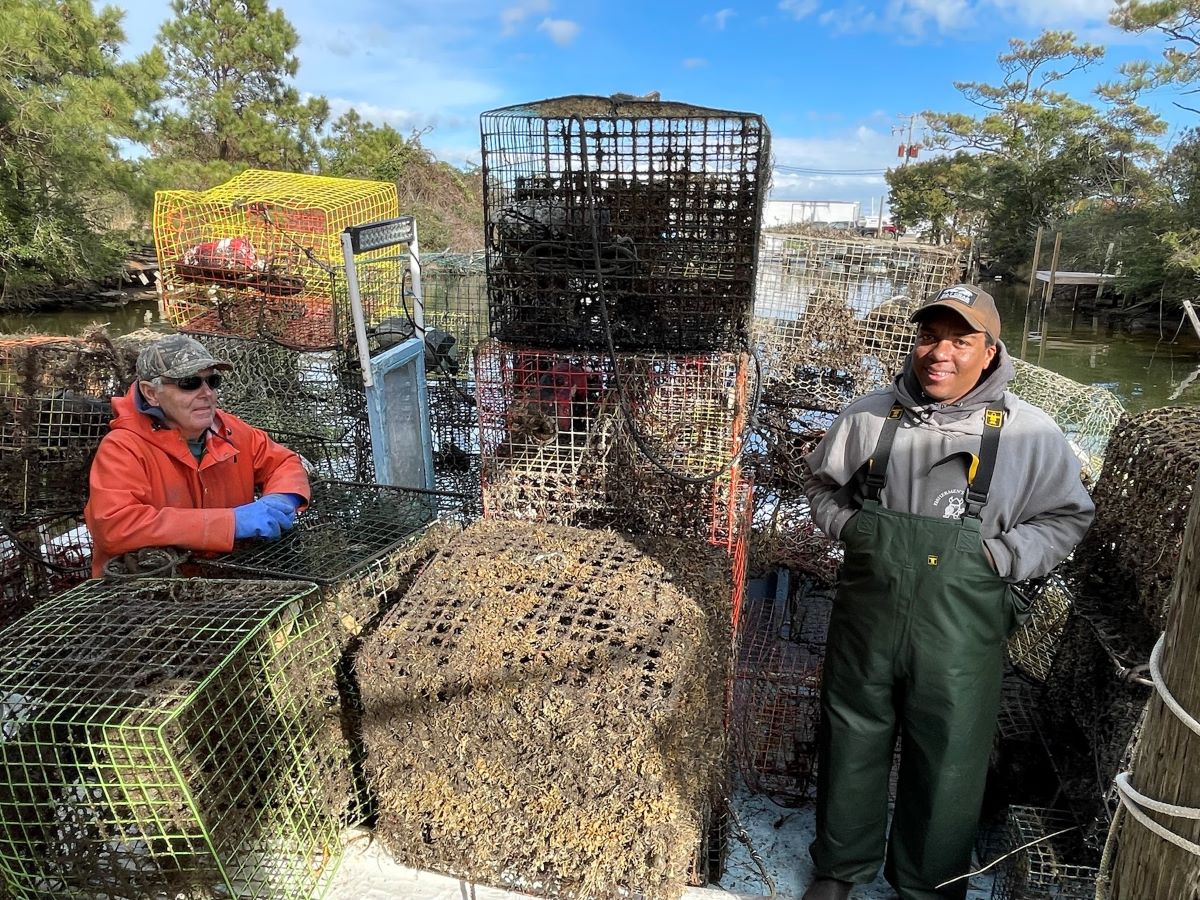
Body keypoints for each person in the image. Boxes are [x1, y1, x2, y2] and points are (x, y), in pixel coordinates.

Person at [801, 284, 1095, 900]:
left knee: (951, 752)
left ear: (989, 352)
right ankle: (838, 868)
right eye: (930, 337)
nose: (941, 353)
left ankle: (928, 886)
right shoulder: (868, 416)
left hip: (963, 623)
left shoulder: (1029, 433)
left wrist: (1001, 556)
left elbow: (1068, 518)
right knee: (851, 731)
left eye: (961, 341)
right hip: (869, 616)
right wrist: (853, 529)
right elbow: (823, 490)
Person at [85, 333, 311, 577]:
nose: (207, 394)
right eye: (189, 383)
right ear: (151, 393)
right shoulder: (122, 448)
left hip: (226, 579)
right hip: (148, 593)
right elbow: (114, 526)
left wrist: (284, 497)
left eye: (212, 381)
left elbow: (283, 462)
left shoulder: (228, 429)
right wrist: (230, 523)